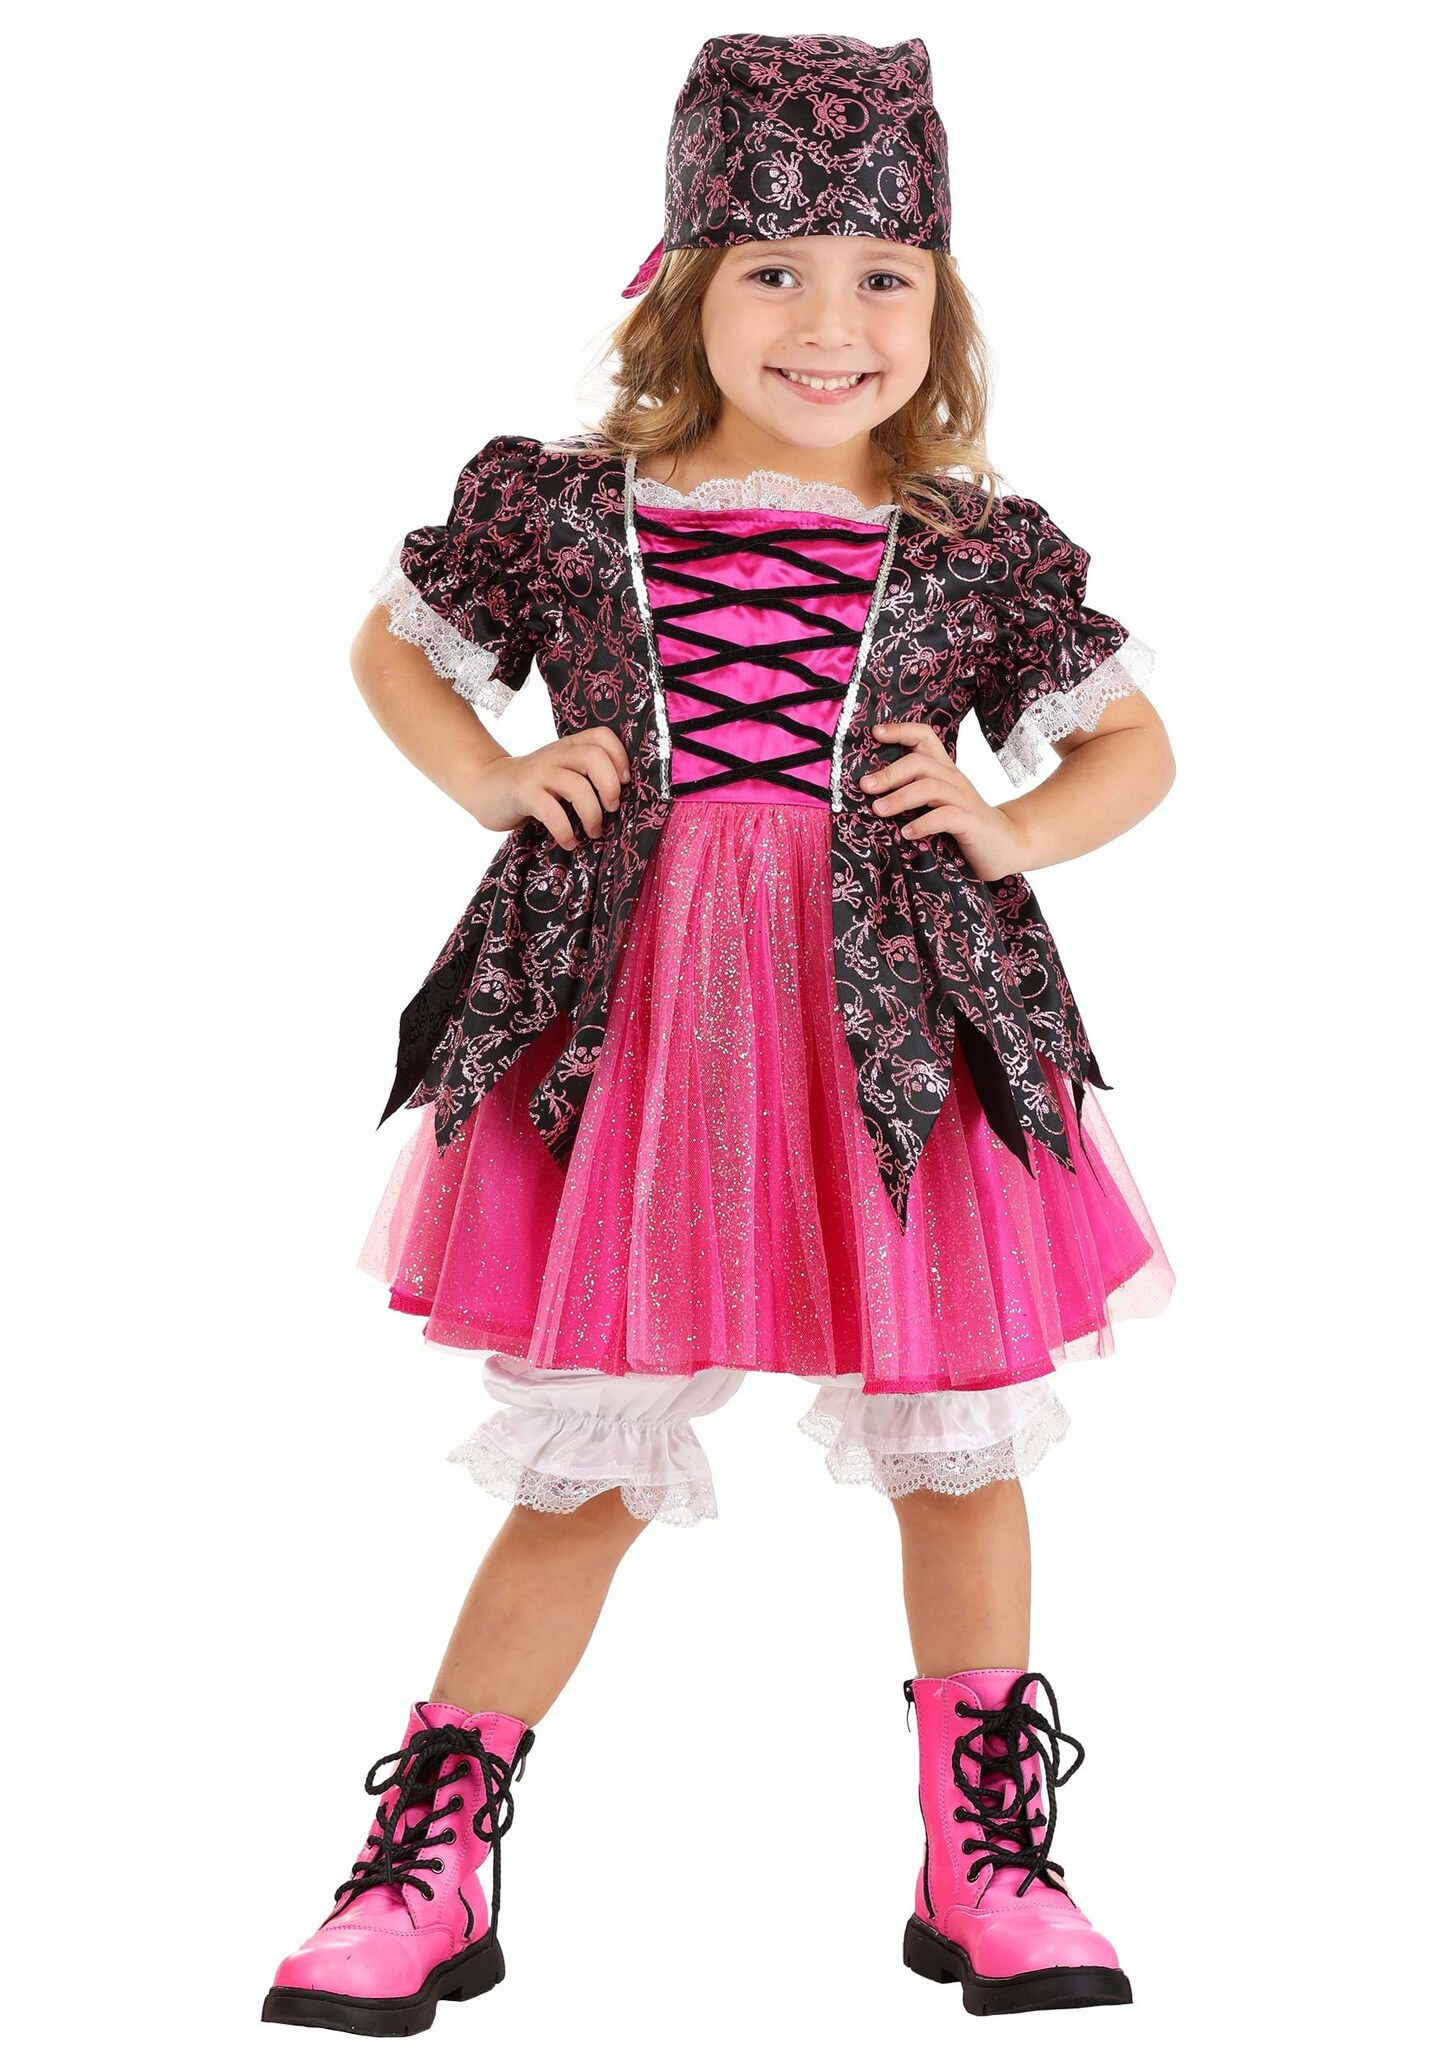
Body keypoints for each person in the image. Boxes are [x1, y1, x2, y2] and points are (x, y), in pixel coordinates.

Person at [262, 31, 1176, 2033]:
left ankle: (985, 1855)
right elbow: (391, 653)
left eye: (882, 276)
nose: (830, 323)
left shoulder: (976, 546)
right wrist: (497, 777)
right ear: (681, 281)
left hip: (899, 1037)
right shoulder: (564, 510)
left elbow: (1135, 743)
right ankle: (430, 1859)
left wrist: (1014, 821)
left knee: (955, 1445)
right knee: (582, 1458)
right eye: (775, 269)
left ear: (938, 302)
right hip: (633, 1038)